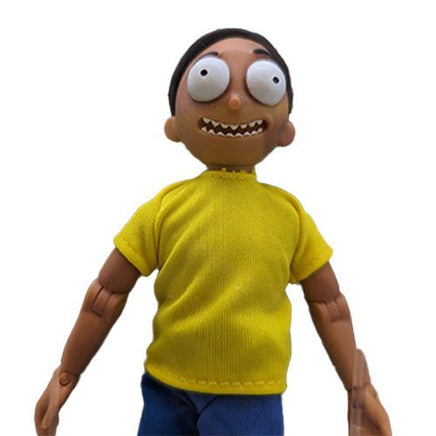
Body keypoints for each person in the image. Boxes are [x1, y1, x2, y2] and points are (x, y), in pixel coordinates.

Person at [35, 28, 391, 435]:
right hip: (166, 387)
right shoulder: (164, 210)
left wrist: (358, 386)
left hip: (250, 397)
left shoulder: (289, 216)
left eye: (264, 84)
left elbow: (330, 305)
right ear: (174, 125)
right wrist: (67, 371)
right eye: (209, 81)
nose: (235, 101)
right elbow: (105, 295)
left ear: (286, 130)